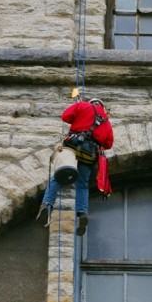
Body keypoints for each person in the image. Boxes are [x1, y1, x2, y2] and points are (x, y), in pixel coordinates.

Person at [37, 97, 114, 236]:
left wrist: (79, 121)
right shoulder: (107, 122)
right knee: (82, 185)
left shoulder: (83, 106)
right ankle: (82, 213)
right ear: (102, 107)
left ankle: (46, 204)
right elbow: (108, 144)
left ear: (91, 103)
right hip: (89, 154)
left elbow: (65, 116)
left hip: (73, 147)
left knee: (59, 176)